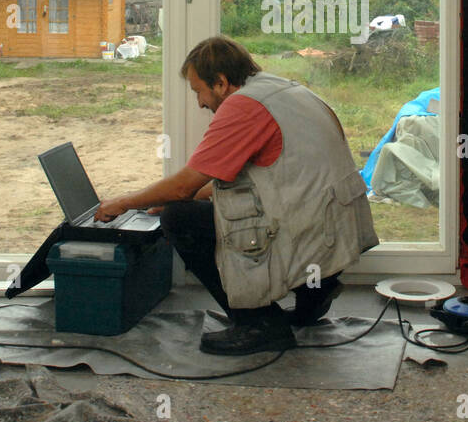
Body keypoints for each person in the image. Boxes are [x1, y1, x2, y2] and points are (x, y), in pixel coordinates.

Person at [98, 36, 379, 356]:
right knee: (195, 206)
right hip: (337, 228)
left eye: (198, 91)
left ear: (220, 82)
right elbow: (236, 179)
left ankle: (258, 325)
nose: (200, 103)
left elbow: (184, 186)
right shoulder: (284, 90)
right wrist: (179, 197)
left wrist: (122, 203)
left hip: (309, 230)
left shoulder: (243, 107)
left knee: (178, 218)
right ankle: (313, 294)